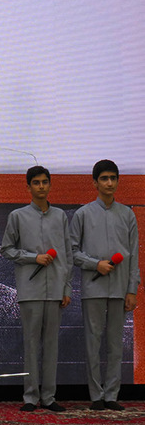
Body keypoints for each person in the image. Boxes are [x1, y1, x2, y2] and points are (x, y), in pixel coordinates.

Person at [0, 166, 72, 412]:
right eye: (36, 183)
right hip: (30, 289)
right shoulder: (17, 216)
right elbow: (6, 249)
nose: (41, 186)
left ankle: (49, 397)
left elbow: (67, 255)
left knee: (52, 345)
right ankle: (30, 397)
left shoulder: (60, 216)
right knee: (31, 344)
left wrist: (66, 288)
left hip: (56, 290)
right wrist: (34, 258)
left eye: (45, 182)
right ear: (28, 187)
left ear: (50, 185)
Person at [70, 159, 140, 411]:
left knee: (115, 343)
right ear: (95, 183)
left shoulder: (128, 214)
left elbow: (133, 255)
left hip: (120, 288)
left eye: (113, 178)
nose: (109, 183)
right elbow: (72, 252)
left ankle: (112, 394)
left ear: (118, 181)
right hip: (94, 287)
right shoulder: (83, 214)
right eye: (104, 178)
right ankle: (96, 395)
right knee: (93, 341)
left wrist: (132, 289)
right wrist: (95, 264)